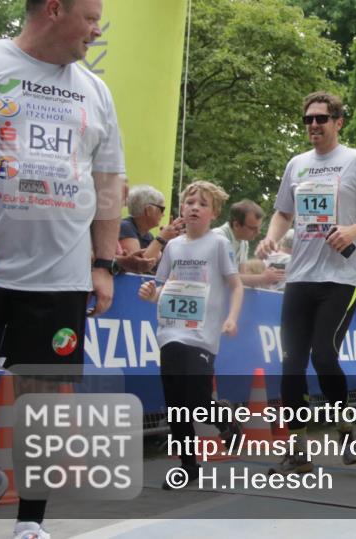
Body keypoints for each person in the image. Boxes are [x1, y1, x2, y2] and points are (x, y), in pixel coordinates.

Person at [0, 0, 125, 539]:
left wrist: (104, 263)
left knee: (41, 406)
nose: (96, 31)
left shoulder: (96, 89)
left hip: (59, 277)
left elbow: (109, 180)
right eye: (91, 19)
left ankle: (29, 525)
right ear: (54, 11)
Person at [256, 91, 356, 474]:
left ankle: (345, 428)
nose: (313, 125)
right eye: (308, 120)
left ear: (338, 122)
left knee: (323, 354)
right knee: (291, 363)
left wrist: (353, 230)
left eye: (321, 118)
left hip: (342, 279)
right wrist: (272, 236)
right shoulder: (296, 164)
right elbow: (283, 212)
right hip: (300, 276)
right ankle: (298, 450)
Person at [138, 181, 243, 488]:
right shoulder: (173, 246)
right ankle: (188, 466)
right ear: (181, 209)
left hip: (201, 335)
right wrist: (150, 294)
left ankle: (224, 420)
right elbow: (162, 288)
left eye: (203, 203)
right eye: (189, 202)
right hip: (170, 332)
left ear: (214, 212)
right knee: (175, 403)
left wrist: (232, 318)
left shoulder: (218, 244)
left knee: (196, 400)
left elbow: (235, 285)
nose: (195, 207)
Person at [214, 199, 283, 288]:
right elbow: (224, 278)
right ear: (236, 225)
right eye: (253, 228)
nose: (258, 232)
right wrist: (263, 278)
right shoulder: (218, 238)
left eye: (259, 228)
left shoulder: (244, 242)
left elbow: (241, 275)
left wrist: (264, 272)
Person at [119, 184, 183, 269]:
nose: (163, 214)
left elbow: (161, 264)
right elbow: (137, 265)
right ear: (148, 210)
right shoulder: (125, 227)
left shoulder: (147, 236)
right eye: (162, 209)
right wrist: (161, 238)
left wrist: (171, 240)